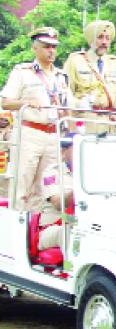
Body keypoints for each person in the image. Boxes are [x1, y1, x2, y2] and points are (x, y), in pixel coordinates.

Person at [1, 27, 75, 211]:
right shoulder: (23, 71)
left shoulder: (61, 77)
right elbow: (6, 102)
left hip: (53, 134)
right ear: (35, 48)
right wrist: (25, 102)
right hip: (30, 132)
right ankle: (15, 229)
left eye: (54, 47)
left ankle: (35, 231)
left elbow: (69, 109)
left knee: (45, 188)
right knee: (21, 183)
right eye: (46, 46)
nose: (51, 51)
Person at [63, 20, 116, 134]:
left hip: (109, 124)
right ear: (90, 40)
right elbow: (65, 94)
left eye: (107, 38)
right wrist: (79, 106)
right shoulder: (75, 61)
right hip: (84, 123)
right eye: (100, 37)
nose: (104, 42)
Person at [38, 134, 74, 253]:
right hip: (53, 226)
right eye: (77, 148)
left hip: (80, 222)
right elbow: (58, 204)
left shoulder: (92, 172)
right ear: (64, 151)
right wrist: (79, 189)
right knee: (67, 231)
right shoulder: (52, 172)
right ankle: (70, 269)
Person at [0, 111, 12, 197]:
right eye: (1, 119)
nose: (3, 121)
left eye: (6, 120)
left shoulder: (10, 132)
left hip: (4, 160)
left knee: (4, 186)